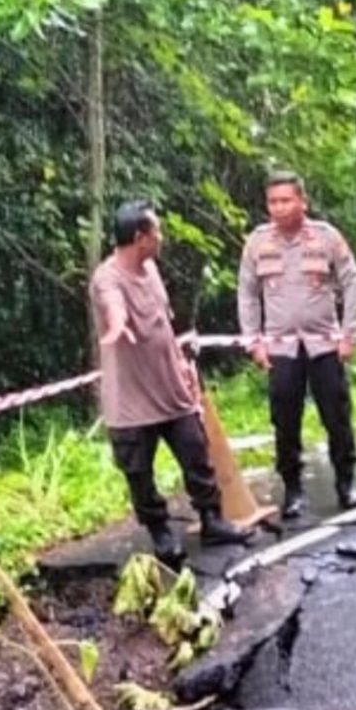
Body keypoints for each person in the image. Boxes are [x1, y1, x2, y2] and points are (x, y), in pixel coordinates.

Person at [89, 200, 250, 568]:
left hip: (171, 388)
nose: (161, 237)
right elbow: (113, 304)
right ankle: (160, 531)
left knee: (197, 454)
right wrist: (116, 325)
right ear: (140, 238)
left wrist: (182, 366)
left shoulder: (152, 269)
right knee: (138, 472)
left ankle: (212, 519)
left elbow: (163, 322)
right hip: (131, 401)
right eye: (156, 231)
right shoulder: (107, 277)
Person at [237, 170, 356, 519]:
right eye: (273, 202)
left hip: (324, 346)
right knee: (285, 421)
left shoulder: (326, 237)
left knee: (337, 416)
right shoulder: (258, 242)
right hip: (282, 350)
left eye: (285, 200)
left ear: (302, 202)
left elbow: (353, 282)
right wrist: (254, 342)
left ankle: (346, 482)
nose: (278, 208)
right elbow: (247, 293)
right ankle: (293, 490)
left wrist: (351, 332)